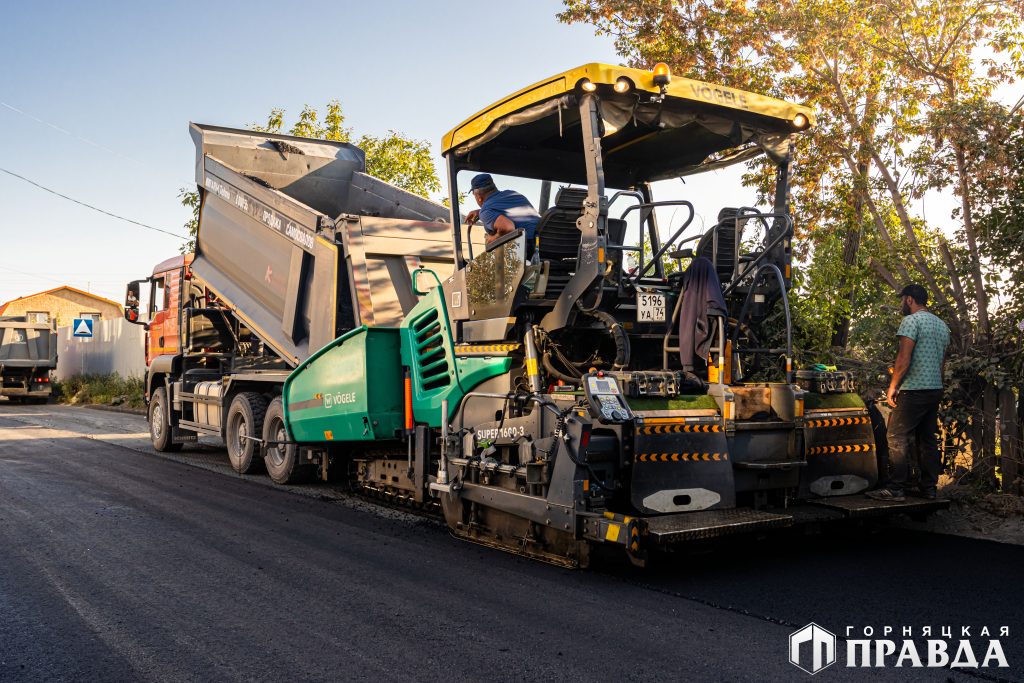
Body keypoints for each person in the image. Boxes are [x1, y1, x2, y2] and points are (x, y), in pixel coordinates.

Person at [867, 284, 950, 502]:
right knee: (927, 439)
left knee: (895, 435)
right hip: (935, 389)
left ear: (910, 300)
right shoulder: (942, 325)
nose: (900, 303)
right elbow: (941, 363)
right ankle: (929, 489)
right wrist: (938, 385)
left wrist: (893, 387)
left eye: (902, 299)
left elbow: (904, 359)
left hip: (914, 389)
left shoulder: (911, 321)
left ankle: (895, 489)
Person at [464, 174, 540, 248]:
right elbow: (508, 210)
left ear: (479, 197)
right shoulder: (512, 194)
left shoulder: (486, 210)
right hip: (544, 242)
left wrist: (492, 239)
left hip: (529, 246)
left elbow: (508, 228)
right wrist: (479, 212)